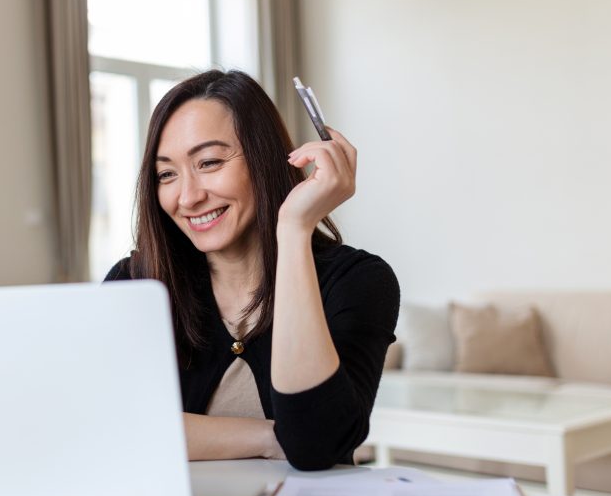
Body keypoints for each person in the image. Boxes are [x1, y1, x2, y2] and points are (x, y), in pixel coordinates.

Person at [105, 70, 399, 471]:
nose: (188, 197)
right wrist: (268, 436)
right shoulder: (137, 282)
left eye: (208, 162)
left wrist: (295, 230)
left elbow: (315, 443)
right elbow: (110, 427)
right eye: (167, 174)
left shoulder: (359, 281)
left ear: (264, 158)